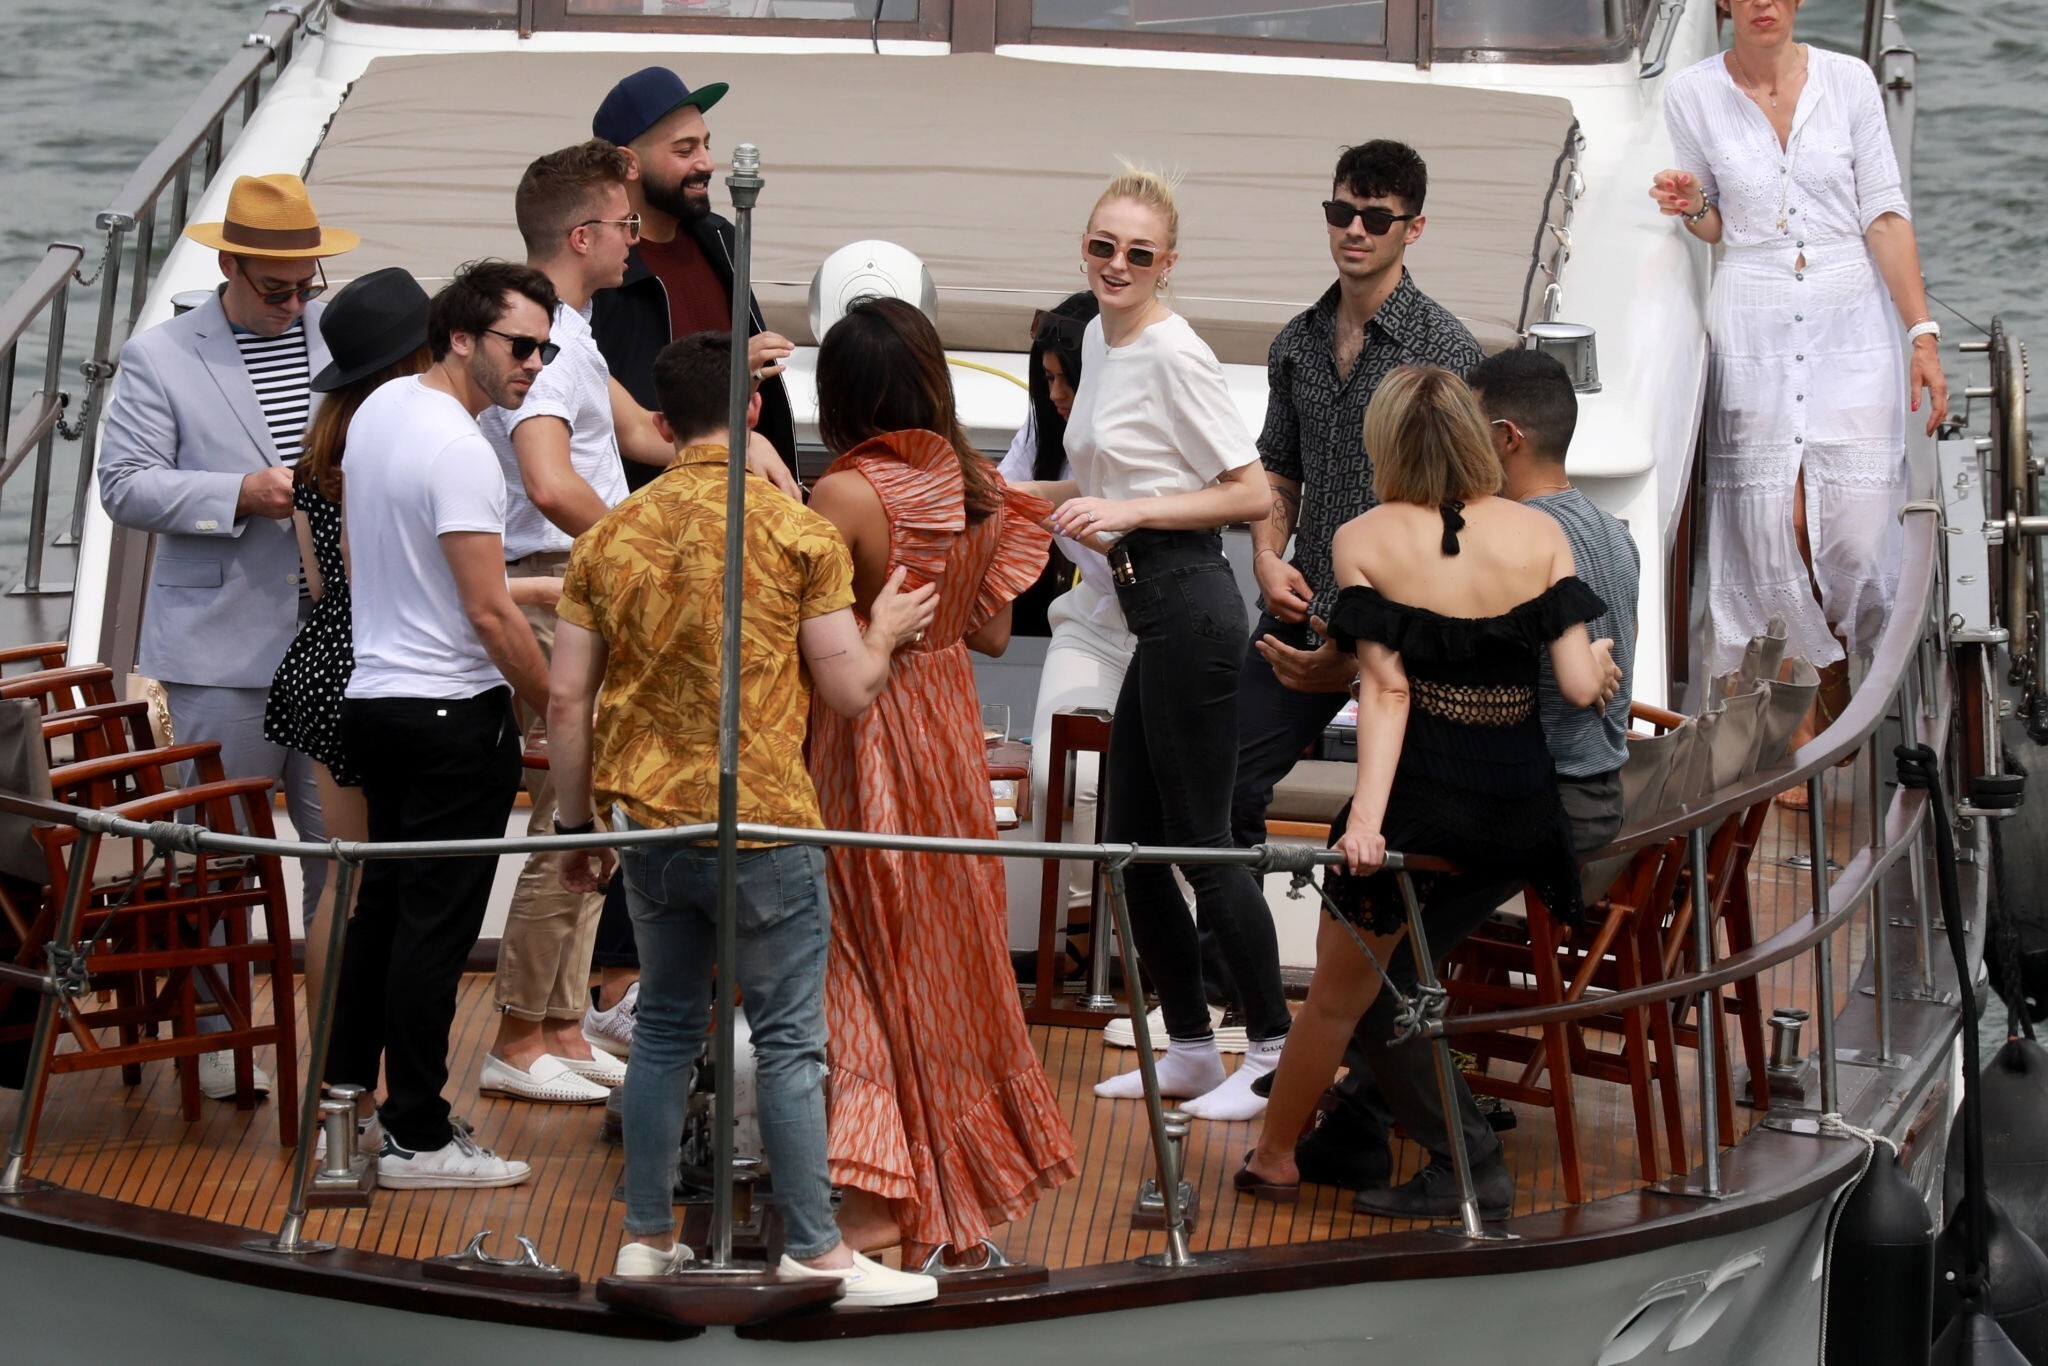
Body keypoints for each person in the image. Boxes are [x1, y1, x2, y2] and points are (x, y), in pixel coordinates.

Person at [548, 330, 940, 1304]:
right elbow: (848, 692)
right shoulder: (798, 534)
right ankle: (815, 1247)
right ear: (754, 410)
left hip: (650, 826)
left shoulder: (607, 538)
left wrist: (576, 828)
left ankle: (646, 1240)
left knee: (664, 1033)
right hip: (766, 824)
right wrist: (887, 631)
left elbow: (565, 700)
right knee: (790, 1042)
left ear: (659, 421)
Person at [1236, 365, 1615, 1203]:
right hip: (1520, 809)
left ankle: (1276, 1157)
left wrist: (1364, 822)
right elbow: (1577, 686)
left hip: (1423, 803)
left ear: (1384, 445)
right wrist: (1597, 658)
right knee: (1388, 985)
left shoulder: (1363, 538)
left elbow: (1388, 691)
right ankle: (1357, 1139)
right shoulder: (1540, 534)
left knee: (1338, 997)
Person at [805, 296, 1074, 1263]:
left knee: (853, 949)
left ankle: (875, 1193)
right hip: (950, 730)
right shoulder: (984, 492)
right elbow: (991, 632)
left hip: (863, 731)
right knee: (942, 951)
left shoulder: (844, 494)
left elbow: (810, 638)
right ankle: (950, 1174)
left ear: (840, 395)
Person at [475, 139, 732, 1105]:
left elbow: (637, 430)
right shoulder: (541, 347)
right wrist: (646, 548)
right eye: (626, 227)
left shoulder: (570, 331)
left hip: (578, 576)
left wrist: (732, 443)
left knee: (596, 805)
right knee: (569, 804)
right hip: (552, 576)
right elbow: (548, 482)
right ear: (583, 236)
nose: (637, 240)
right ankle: (518, 1035)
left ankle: (561, 1023)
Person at [98, 172, 355, 1102]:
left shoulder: (339, 340)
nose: (293, 304)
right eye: (275, 289)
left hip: (335, 645)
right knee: (216, 857)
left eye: (305, 286)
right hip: (220, 650)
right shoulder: (160, 357)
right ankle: (213, 1036)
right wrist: (237, 494)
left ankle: (339, 1042)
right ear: (229, 268)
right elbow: (123, 484)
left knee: (342, 857)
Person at [1652, 0, 1948, 807]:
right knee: (1775, 526)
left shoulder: (1849, 81)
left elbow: (1883, 215)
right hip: (1753, 315)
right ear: (1723, 4)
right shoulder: (1692, 93)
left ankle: (1843, 661)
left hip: (1851, 320)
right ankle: (1803, 705)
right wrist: (1692, 204)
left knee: (1852, 532)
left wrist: (1921, 333)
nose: (1765, 3)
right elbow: (1714, 222)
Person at [1030, 167, 1277, 1118]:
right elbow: (1102, 485)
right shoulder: (1098, 338)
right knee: (1127, 841)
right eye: (1103, 246)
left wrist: (1129, 512)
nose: (1118, 264)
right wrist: (1005, 493)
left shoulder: (1176, 353)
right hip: (1148, 608)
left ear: (1168, 263)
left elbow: (1249, 492)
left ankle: (1268, 1049)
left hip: (1191, 604)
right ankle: (1188, 1047)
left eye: (1139, 252)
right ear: (1083, 249)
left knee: (1202, 844)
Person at [324, 260, 558, 1190]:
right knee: (433, 933)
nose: (533, 365)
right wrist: (552, 706)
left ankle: (345, 1105)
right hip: (451, 715)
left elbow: (370, 558)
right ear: (461, 338)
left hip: (374, 700)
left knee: (381, 913)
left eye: (544, 350)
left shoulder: (380, 411)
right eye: (520, 346)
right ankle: (416, 1133)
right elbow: (488, 614)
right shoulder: (463, 451)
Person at [583, 67, 804, 1048]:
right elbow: (625, 412)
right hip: (661, 554)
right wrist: (729, 374)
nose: (707, 161)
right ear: (627, 165)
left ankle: (702, 987)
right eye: (685, 148)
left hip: (743, 543)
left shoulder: (718, 239)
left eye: (707, 143)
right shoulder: (612, 277)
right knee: (651, 760)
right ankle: (621, 990)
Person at [1237, 140, 1482, 894]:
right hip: (1305, 602)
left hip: (1410, 629)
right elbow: (1279, 468)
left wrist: (1357, 657)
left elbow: (1462, 518)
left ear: (1415, 228)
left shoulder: (1447, 352)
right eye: (1341, 211)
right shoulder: (1295, 343)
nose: (1355, 230)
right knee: (1225, 782)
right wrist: (1266, 557)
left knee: (1399, 828)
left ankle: (1367, 965)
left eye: (1377, 218)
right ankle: (1237, 962)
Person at [262, 267, 433, 1007]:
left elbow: (321, 581)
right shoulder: (402, 449)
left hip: (321, 660)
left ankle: (329, 1053)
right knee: (389, 881)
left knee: (346, 873)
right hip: (379, 664)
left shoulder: (315, 462)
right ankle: (373, 1053)